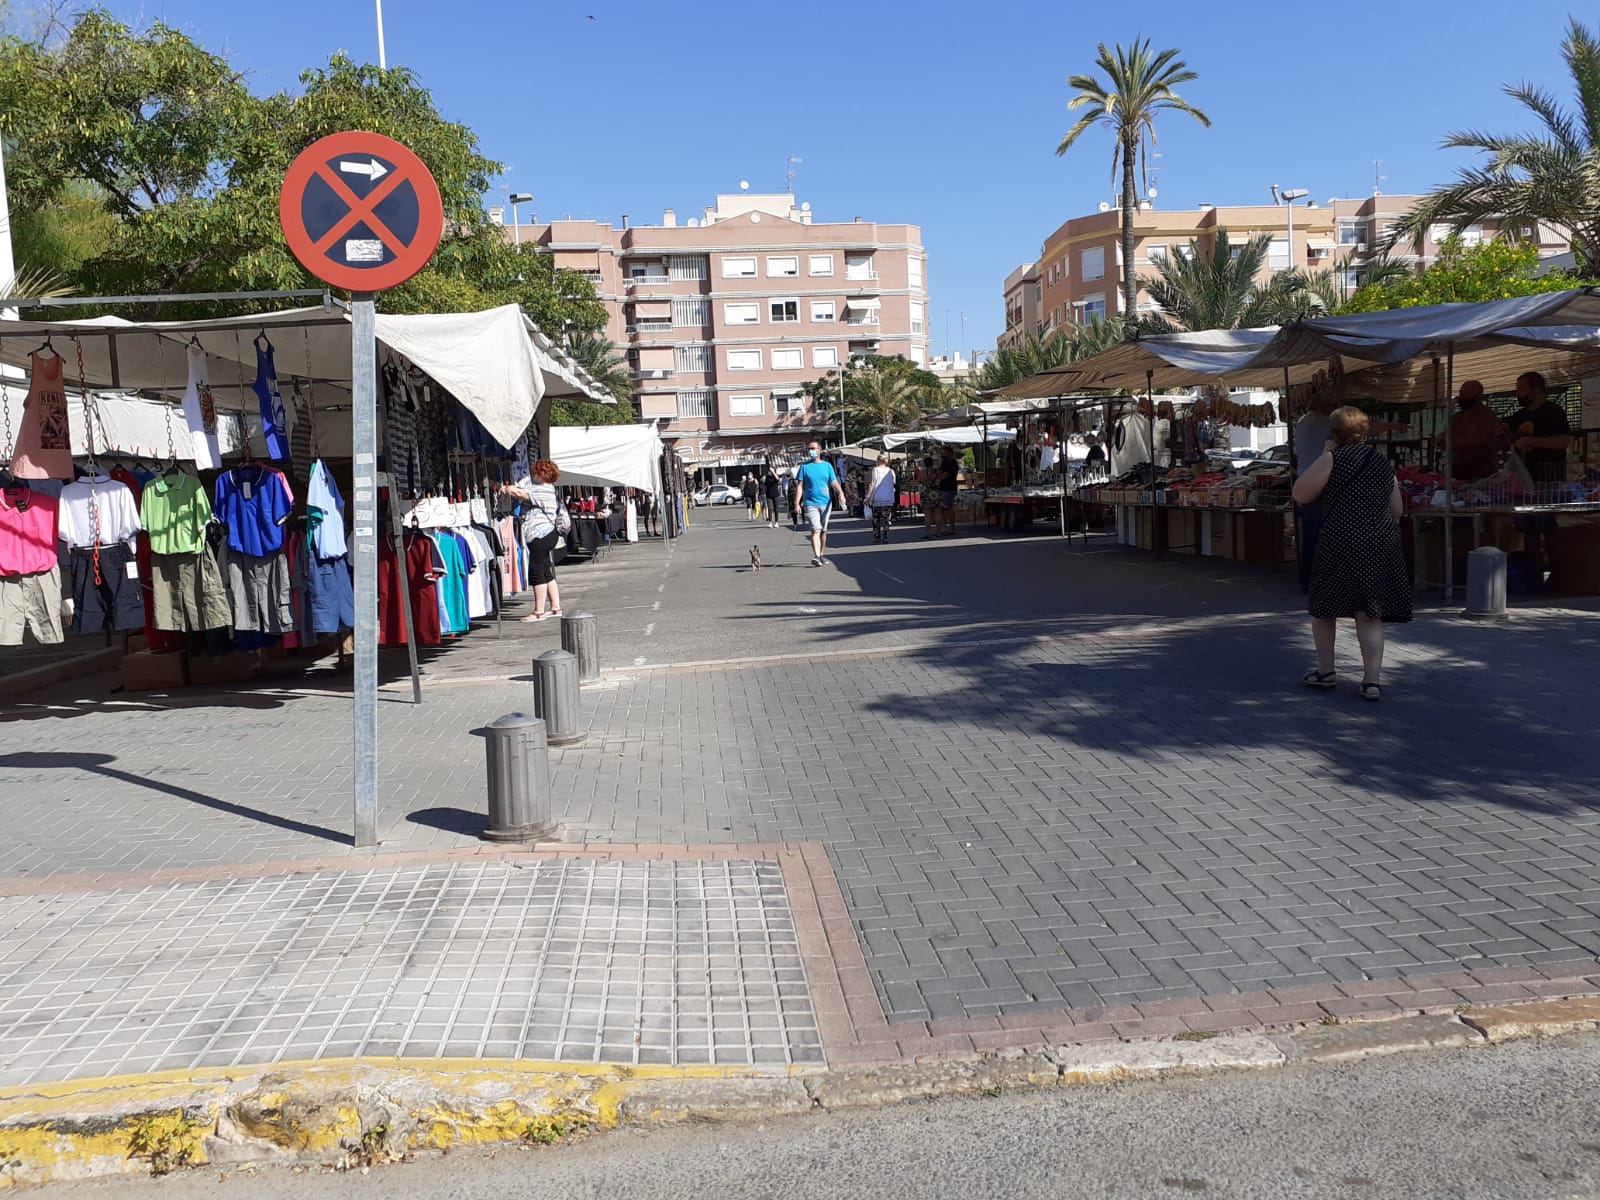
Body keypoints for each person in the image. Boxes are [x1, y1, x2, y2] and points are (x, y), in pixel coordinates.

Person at [1292, 407, 1411, 702]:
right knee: (1369, 613)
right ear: (1365, 431)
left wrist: (1324, 455)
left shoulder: (1333, 459)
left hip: (1339, 539)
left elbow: (1301, 494)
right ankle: (1371, 681)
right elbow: (1397, 510)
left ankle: (1326, 671)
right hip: (1379, 542)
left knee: (1324, 608)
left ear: (1333, 432)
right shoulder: (1382, 463)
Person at [506, 459, 566, 622]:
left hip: (540, 534)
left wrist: (506, 488)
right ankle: (555, 607)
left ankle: (539, 611)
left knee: (536, 571)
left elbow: (520, 494)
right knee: (546, 570)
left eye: (536, 473)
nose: (534, 475)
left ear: (543, 474)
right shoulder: (549, 489)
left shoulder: (542, 490)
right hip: (547, 534)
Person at [1294, 395, 1339, 594]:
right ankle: (1321, 580)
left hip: (1304, 479)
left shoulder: (1302, 423)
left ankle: (1308, 578)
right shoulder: (1324, 423)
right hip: (1320, 482)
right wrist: (1393, 426)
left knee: (1310, 533)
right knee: (1322, 533)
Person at [1437, 379, 1504, 482]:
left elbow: (1474, 440)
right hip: (1457, 469)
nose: (1461, 397)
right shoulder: (1456, 418)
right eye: (1461, 393)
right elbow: (1442, 439)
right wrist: (1447, 440)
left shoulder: (1487, 416)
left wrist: (1450, 440)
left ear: (1478, 396)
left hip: (1481, 470)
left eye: (1466, 393)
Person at [791, 440, 844, 566]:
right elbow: (800, 486)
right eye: (809, 449)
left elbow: (833, 482)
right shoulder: (804, 467)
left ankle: (821, 554)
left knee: (823, 531)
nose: (811, 451)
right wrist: (797, 503)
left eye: (813, 448)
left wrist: (840, 493)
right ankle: (816, 556)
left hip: (825, 503)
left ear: (819, 450)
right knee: (816, 530)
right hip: (810, 503)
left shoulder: (827, 466)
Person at [867, 455, 897, 544]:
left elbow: (872, 483)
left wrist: (868, 496)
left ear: (878, 461)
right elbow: (894, 482)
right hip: (888, 498)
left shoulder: (875, 470)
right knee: (886, 518)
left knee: (876, 518)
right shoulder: (891, 471)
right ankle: (885, 536)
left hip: (877, 497)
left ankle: (877, 536)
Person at [936, 445, 960, 537]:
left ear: (950, 453)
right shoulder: (944, 463)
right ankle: (944, 527)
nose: (943, 455)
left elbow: (943, 476)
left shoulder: (952, 463)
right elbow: (939, 472)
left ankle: (951, 528)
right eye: (942, 453)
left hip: (949, 488)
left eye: (945, 453)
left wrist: (938, 476)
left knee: (948, 508)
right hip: (943, 488)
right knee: (942, 508)